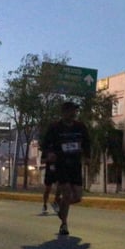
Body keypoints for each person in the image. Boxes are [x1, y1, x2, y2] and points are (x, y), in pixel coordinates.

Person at [40, 101, 91, 236]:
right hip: (61, 164)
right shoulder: (55, 127)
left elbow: (87, 142)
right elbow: (44, 144)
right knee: (67, 193)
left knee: (78, 197)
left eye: (75, 111)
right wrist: (49, 153)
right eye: (71, 111)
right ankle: (64, 225)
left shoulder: (80, 127)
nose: (74, 113)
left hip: (75, 164)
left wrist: (88, 156)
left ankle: (61, 206)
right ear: (64, 112)